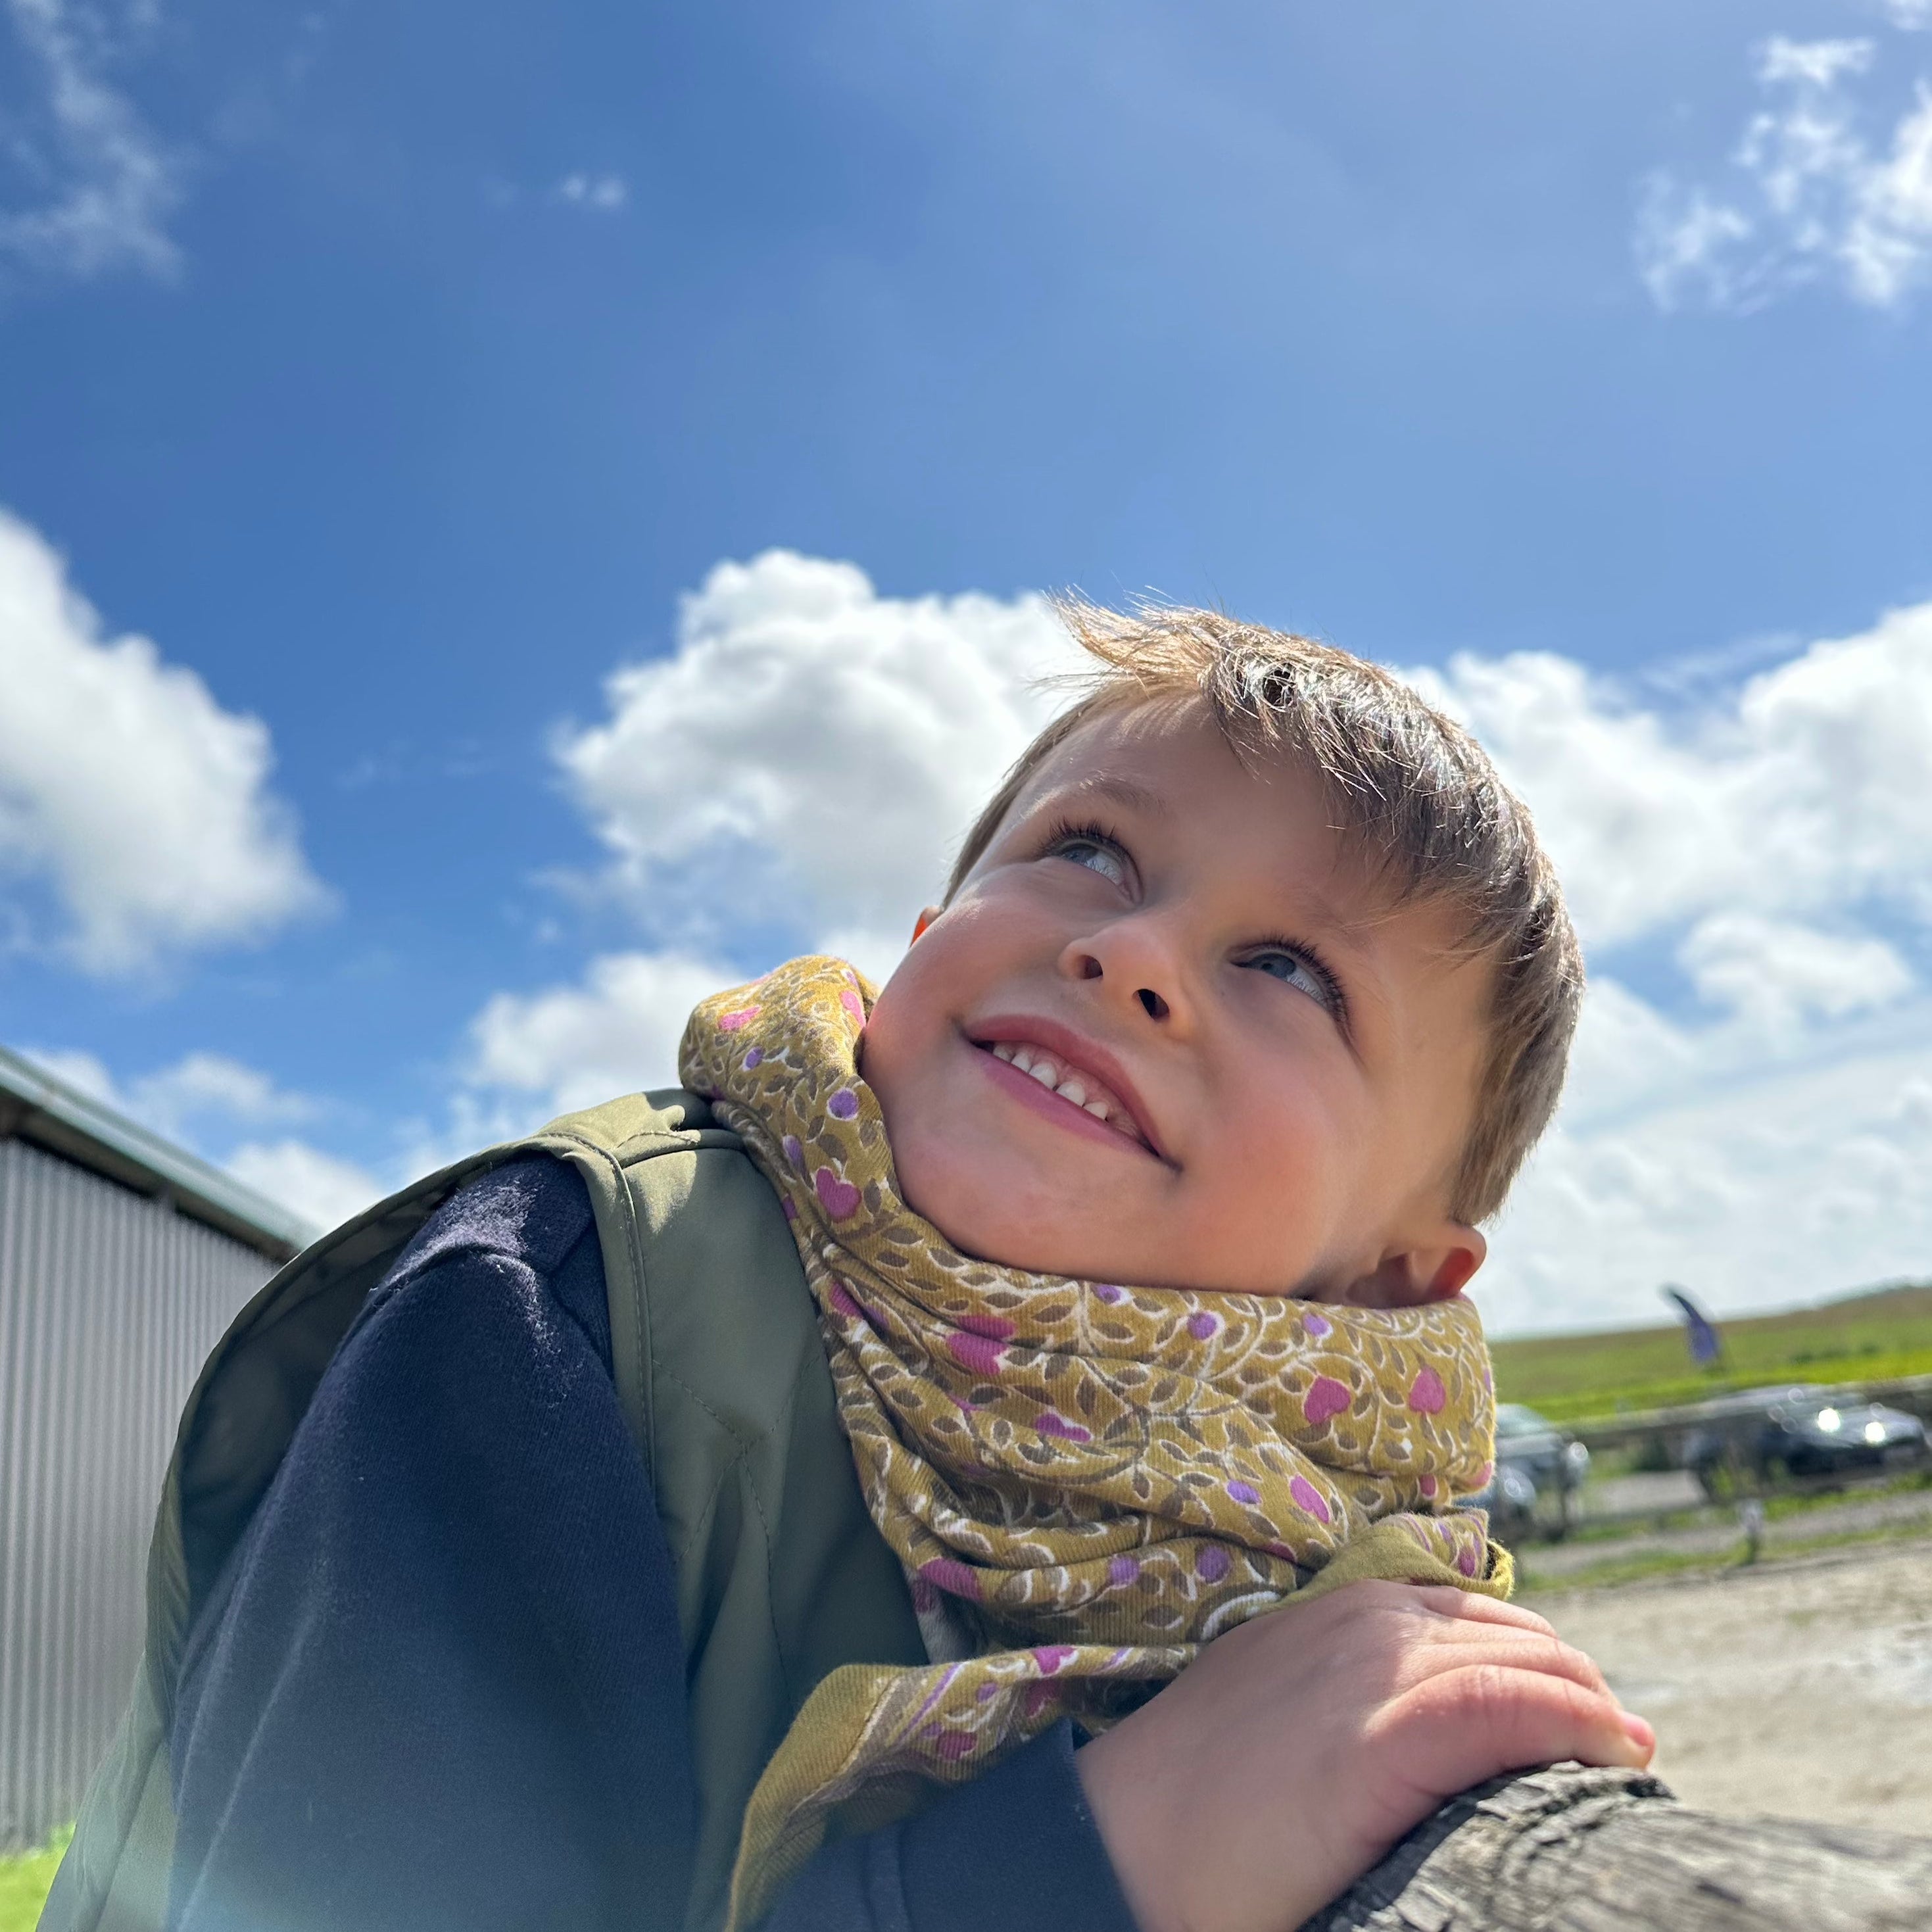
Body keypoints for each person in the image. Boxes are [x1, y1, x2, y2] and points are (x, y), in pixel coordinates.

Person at [44, 604, 1651, 1932]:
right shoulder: (553, 1310)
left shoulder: (1347, 1539)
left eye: (1289, 965)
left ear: (1390, 1280)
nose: (1130, 952)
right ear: (925, 927)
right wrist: (1092, 1863)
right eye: (1089, 850)